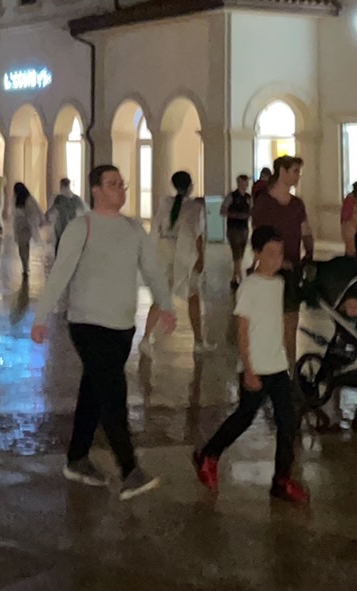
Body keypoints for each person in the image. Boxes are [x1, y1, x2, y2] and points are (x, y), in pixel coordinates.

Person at [31, 165, 174, 500]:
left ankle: (77, 458)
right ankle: (130, 469)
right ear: (96, 190)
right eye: (112, 184)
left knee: (94, 393)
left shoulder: (133, 228)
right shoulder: (83, 227)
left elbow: (151, 269)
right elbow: (60, 272)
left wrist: (166, 304)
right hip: (88, 324)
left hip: (122, 326)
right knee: (113, 395)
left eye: (122, 184)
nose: (120, 190)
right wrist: (40, 317)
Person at [191, 226, 308, 505]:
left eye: (279, 253)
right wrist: (249, 369)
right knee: (244, 417)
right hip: (256, 367)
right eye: (270, 253)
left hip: (277, 366)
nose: (276, 259)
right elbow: (242, 331)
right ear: (256, 254)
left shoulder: (279, 283)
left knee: (287, 422)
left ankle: (281, 480)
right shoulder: (249, 287)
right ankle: (208, 454)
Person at [253, 156, 313, 361]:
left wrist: (309, 254)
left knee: (291, 321)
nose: (298, 176)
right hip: (270, 272)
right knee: (269, 322)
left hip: (292, 269)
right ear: (282, 172)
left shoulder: (297, 204)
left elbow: (305, 230)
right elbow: (259, 238)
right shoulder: (264, 204)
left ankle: (291, 368)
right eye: (295, 171)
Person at [145, 171, 205, 352]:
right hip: (186, 257)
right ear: (190, 186)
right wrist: (201, 257)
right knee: (193, 297)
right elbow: (197, 235)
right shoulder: (195, 208)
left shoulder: (165, 204)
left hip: (165, 256)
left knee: (160, 297)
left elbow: (156, 230)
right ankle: (198, 341)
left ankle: (146, 338)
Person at [222, 175, 252, 287]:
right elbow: (223, 210)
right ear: (238, 183)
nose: (245, 185)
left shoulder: (248, 198)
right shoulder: (231, 197)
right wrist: (236, 215)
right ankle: (240, 277)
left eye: (246, 183)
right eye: (243, 182)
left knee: (241, 253)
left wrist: (248, 215)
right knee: (236, 252)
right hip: (233, 228)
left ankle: (235, 277)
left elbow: (252, 210)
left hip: (244, 228)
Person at [11, 182, 43, 282]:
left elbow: (36, 210)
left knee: (23, 246)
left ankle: (25, 265)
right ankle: (25, 264)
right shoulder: (20, 199)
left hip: (25, 226)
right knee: (24, 246)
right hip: (22, 226)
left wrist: (39, 220)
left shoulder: (28, 200)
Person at [47, 178, 85, 262]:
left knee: (59, 245)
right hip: (72, 226)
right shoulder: (75, 199)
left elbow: (51, 211)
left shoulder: (58, 198)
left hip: (61, 226)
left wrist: (47, 217)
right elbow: (83, 211)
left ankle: (59, 262)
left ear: (61, 186)